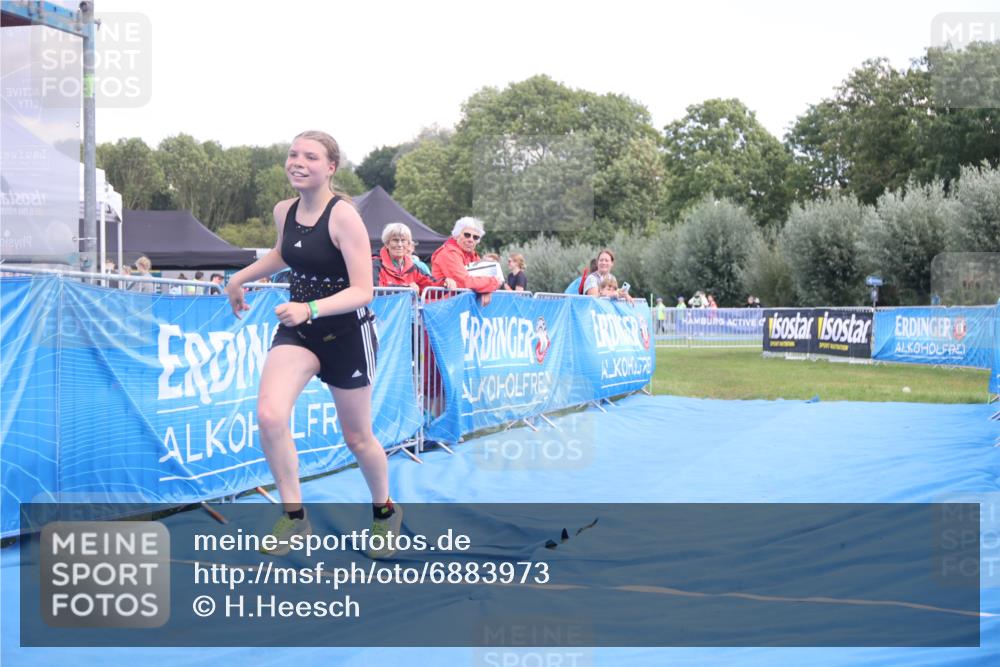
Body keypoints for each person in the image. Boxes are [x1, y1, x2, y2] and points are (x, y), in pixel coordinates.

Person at [224, 130, 399, 559]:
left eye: (311, 157)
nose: (298, 162)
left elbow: (364, 290)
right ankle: (295, 517)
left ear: (331, 167)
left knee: (358, 437)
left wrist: (312, 308)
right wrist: (239, 277)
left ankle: (384, 512)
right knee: (268, 415)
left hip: (345, 333)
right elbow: (284, 254)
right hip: (299, 332)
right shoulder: (283, 210)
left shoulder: (345, 217)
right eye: (293, 154)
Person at [431, 216, 503, 305]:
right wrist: (493, 283)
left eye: (475, 237)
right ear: (457, 235)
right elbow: (464, 282)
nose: (471, 239)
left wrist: (486, 291)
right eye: (467, 235)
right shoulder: (448, 253)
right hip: (444, 308)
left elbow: (481, 278)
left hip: (459, 307)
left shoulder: (472, 255)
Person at [375, 222, 455, 292]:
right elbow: (376, 287)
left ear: (408, 244)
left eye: (403, 240)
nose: (399, 245)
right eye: (395, 240)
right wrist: (406, 288)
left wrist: (444, 282)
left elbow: (429, 283)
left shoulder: (412, 267)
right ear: (386, 244)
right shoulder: (375, 264)